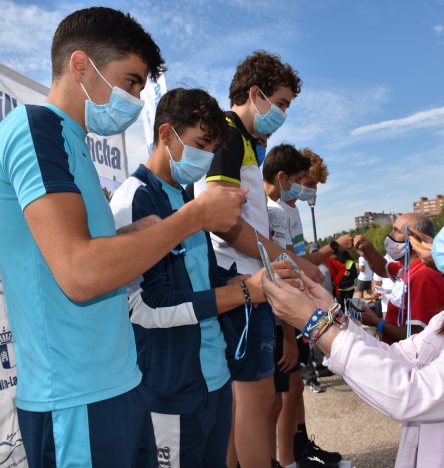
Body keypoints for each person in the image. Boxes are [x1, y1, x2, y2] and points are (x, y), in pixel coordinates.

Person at [0, 8, 248, 467]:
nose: (137, 99)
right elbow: (81, 273)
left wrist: (129, 234)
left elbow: (76, 255)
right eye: (131, 82)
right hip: (76, 396)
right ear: (80, 65)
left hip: (118, 386)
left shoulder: (71, 141)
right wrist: (190, 219)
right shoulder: (35, 129)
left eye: (142, 86)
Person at [262, 176, 444, 467]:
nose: (443, 234)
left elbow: (413, 394)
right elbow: (396, 358)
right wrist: (329, 312)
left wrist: (316, 324)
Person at [108, 88, 292, 468]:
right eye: (199, 144)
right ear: (165, 134)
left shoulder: (191, 205)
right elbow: (145, 306)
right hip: (171, 390)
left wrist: (263, 282)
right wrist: (245, 290)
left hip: (215, 380)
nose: (206, 157)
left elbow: (206, 287)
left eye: (212, 149)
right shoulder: (135, 198)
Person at [191, 50, 319, 467]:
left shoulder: (247, 141)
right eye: (280, 103)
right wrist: (291, 261)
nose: (282, 113)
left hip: (250, 275)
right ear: (254, 93)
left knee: (252, 401)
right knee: (256, 398)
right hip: (239, 276)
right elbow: (221, 221)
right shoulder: (227, 134)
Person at [262, 145, 345, 467]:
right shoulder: (275, 209)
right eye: (304, 182)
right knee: (280, 394)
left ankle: (297, 449)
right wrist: (333, 249)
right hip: (283, 310)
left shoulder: (286, 209)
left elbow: (294, 262)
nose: (307, 190)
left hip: (294, 307)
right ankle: (287, 458)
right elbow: (288, 265)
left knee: (292, 389)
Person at [354, 213, 444, 344]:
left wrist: (377, 322)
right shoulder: (406, 267)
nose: (390, 235)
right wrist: (366, 247)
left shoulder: (423, 276)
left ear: (415, 239)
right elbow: (382, 268)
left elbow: (416, 336)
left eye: (396, 231)